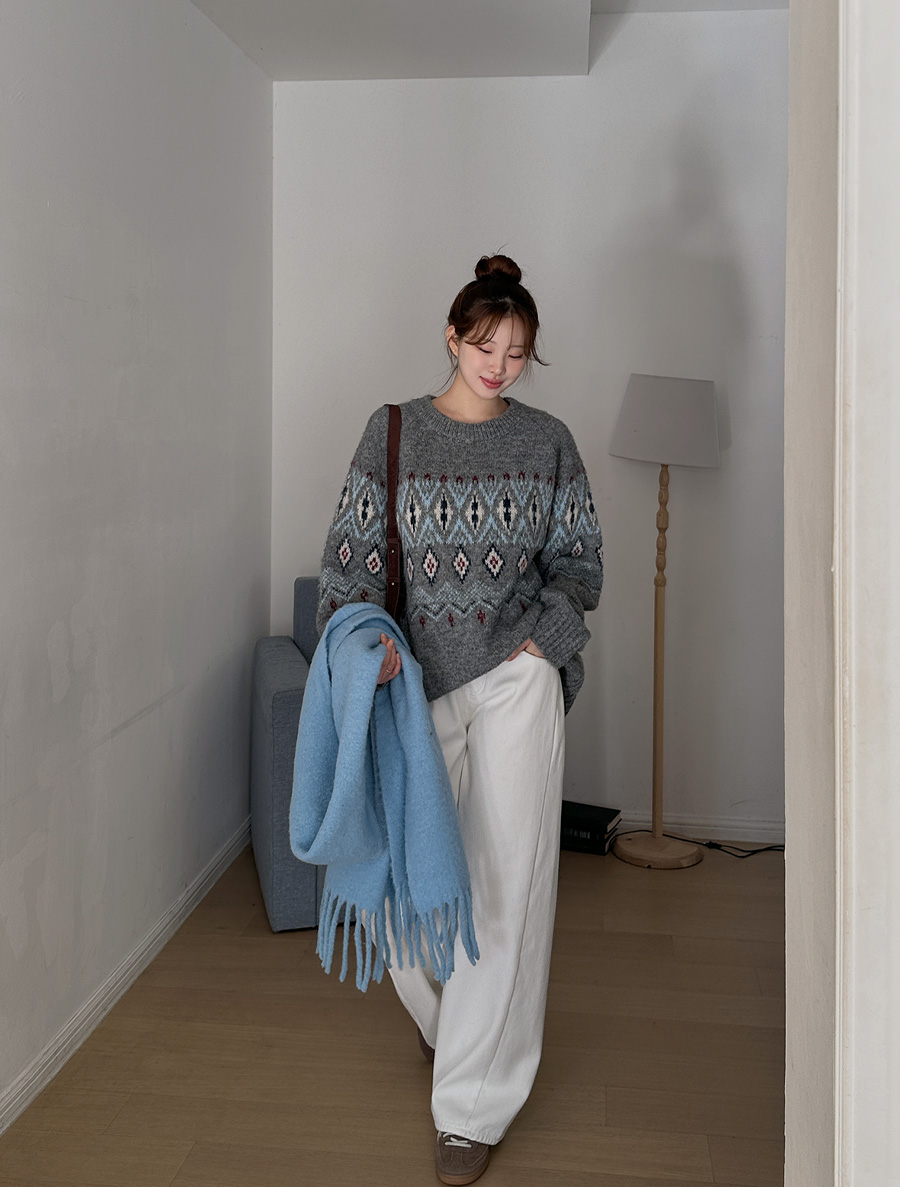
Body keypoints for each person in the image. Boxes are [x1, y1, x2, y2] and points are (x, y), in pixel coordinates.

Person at [315, 253, 604, 1185]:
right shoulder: (392, 431)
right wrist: (369, 644)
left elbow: (580, 564)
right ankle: (452, 1027)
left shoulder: (549, 441)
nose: (499, 366)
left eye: (517, 352)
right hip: (412, 684)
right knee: (401, 879)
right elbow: (348, 566)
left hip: (519, 678)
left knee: (510, 881)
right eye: (485, 346)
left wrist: (543, 642)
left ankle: (471, 1107)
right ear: (452, 336)